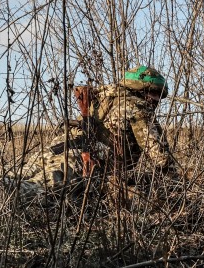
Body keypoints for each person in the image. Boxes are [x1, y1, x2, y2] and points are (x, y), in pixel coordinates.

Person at [24, 64, 178, 192]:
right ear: (141, 89)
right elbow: (160, 157)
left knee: (16, 177)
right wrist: (177, 182)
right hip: (80, 160)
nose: (156, 99)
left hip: (54, 149)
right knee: (28, 191)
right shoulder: (138, 108)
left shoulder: (102, 98)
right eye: (154, 93)